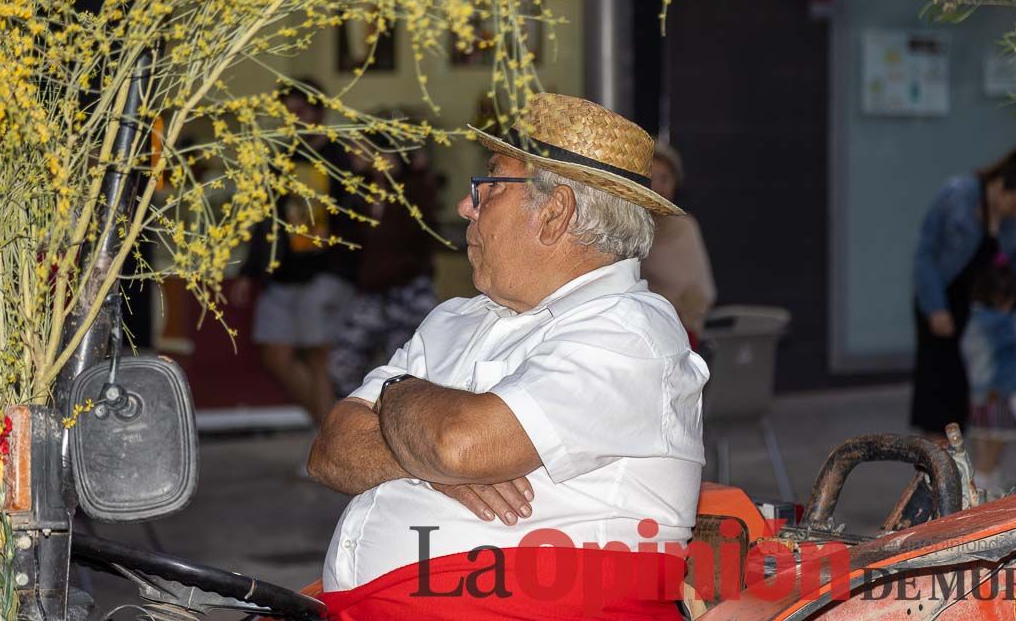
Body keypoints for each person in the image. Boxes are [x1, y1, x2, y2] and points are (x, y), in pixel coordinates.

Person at [306, 93, 709, 619]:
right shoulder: (457, 317)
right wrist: (433, 468)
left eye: (489, 185)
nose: (465, 206)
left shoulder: (632, 331)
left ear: (555, 213)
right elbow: (330, 450)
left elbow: (461, 444)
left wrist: (396, 392)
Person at [232, 79, 356, 425]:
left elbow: (357, 216)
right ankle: (332, 426)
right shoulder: (282, 159)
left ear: (319, 111)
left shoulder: (341, 156)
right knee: (275, 355)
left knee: (320, 356)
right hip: (283, 273)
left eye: (301, 111)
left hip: (327, 271)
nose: (295, 119)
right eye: (288, 113)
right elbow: (265, 218)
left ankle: (330, 436)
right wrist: (249, 272)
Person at [911, 148, 1016, 437]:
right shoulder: (957, 197)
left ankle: (977, 470)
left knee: (987, 395)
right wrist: (935, 307)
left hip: (983, 311)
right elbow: (925, 255)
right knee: (940, 396)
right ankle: (934, 468)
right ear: (998, 187)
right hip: (943, 300)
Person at [326, 144, 440, 396]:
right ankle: (364, 416)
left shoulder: (414, 190)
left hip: (408, 291)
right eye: (373, 153)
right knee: (342, 363)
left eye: (385, 153)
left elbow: (419, 235)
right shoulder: (358, 193)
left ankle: (391, 422)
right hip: (373, 292)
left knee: (405, 371)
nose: (379, 160)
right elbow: (346, 241)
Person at [960, 254, 1016, 492]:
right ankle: (981, 495)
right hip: (999, 393)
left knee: (982, 446)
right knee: (993, 449)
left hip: (977, 394)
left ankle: (984, 489)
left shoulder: (975, 318)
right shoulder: (1000, 322)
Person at [642, 142, 716, 344]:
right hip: (641, 330)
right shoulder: (629, 227)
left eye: (664, 179)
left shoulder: (686, 226)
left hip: (683, 331)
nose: (658, 186)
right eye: (651, 179)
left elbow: (704, 291)